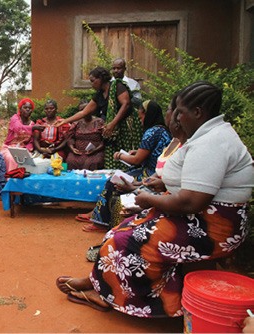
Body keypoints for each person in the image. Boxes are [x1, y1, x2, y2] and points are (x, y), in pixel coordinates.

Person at [56, 81, 254, 318]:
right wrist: (160, 186)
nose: (177, 118)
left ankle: (116, 295)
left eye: (181, 112)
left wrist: (150, 200)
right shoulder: (208, 136)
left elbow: (192, 202)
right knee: (119, 230)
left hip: (213, 226)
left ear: (198, 113)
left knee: (128, 241)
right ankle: (99, 282)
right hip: (199, 217)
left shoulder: (211, 143)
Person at [77, 100, 172, 231]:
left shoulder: (151, 132)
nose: (140, 120)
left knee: (114, 180)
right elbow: (151, 153)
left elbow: (137, 160)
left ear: (148, 115)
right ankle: (97, 214)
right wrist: (135, 153)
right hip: (156, 172)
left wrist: (120, 156)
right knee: (119, 177)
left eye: (141, 117)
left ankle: (100, 221)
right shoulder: (164, 131)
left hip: (150, 174)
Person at [54, 67, 143, 170]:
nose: (91, 84)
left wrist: (113, 123)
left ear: (100, 78)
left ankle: (131, 179)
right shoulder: (99, 95)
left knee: (128, 156)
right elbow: (84, 112)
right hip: (113, 131)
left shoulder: (117, 85)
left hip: (128, 128)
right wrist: (65, 121)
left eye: (92, 81)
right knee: (113, 158)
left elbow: (126, 104)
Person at [0, 98, 42, 172]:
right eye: (25, 107)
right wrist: (32, 128)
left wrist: (28, 150)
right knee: (11, 158)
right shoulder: (15, 118)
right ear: (20, 109)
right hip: (9, 148)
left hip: (23, 149)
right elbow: (18, 128)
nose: (27, 110)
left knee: (29, 160)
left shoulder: (32, 123)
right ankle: (11, 180)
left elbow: (31, 141)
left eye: (30, 108)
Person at [65, 100, 106, 170]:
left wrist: (95, 150)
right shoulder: (76, 123)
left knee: (94, 162)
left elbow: (105, 140)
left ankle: (92, 181)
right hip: (78, 152)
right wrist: (72, 148)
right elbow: (70, 138)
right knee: (70, 161)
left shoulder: (100, 122)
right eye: (81, 110)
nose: (84, 112)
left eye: (86, 109)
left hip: (96, 151)